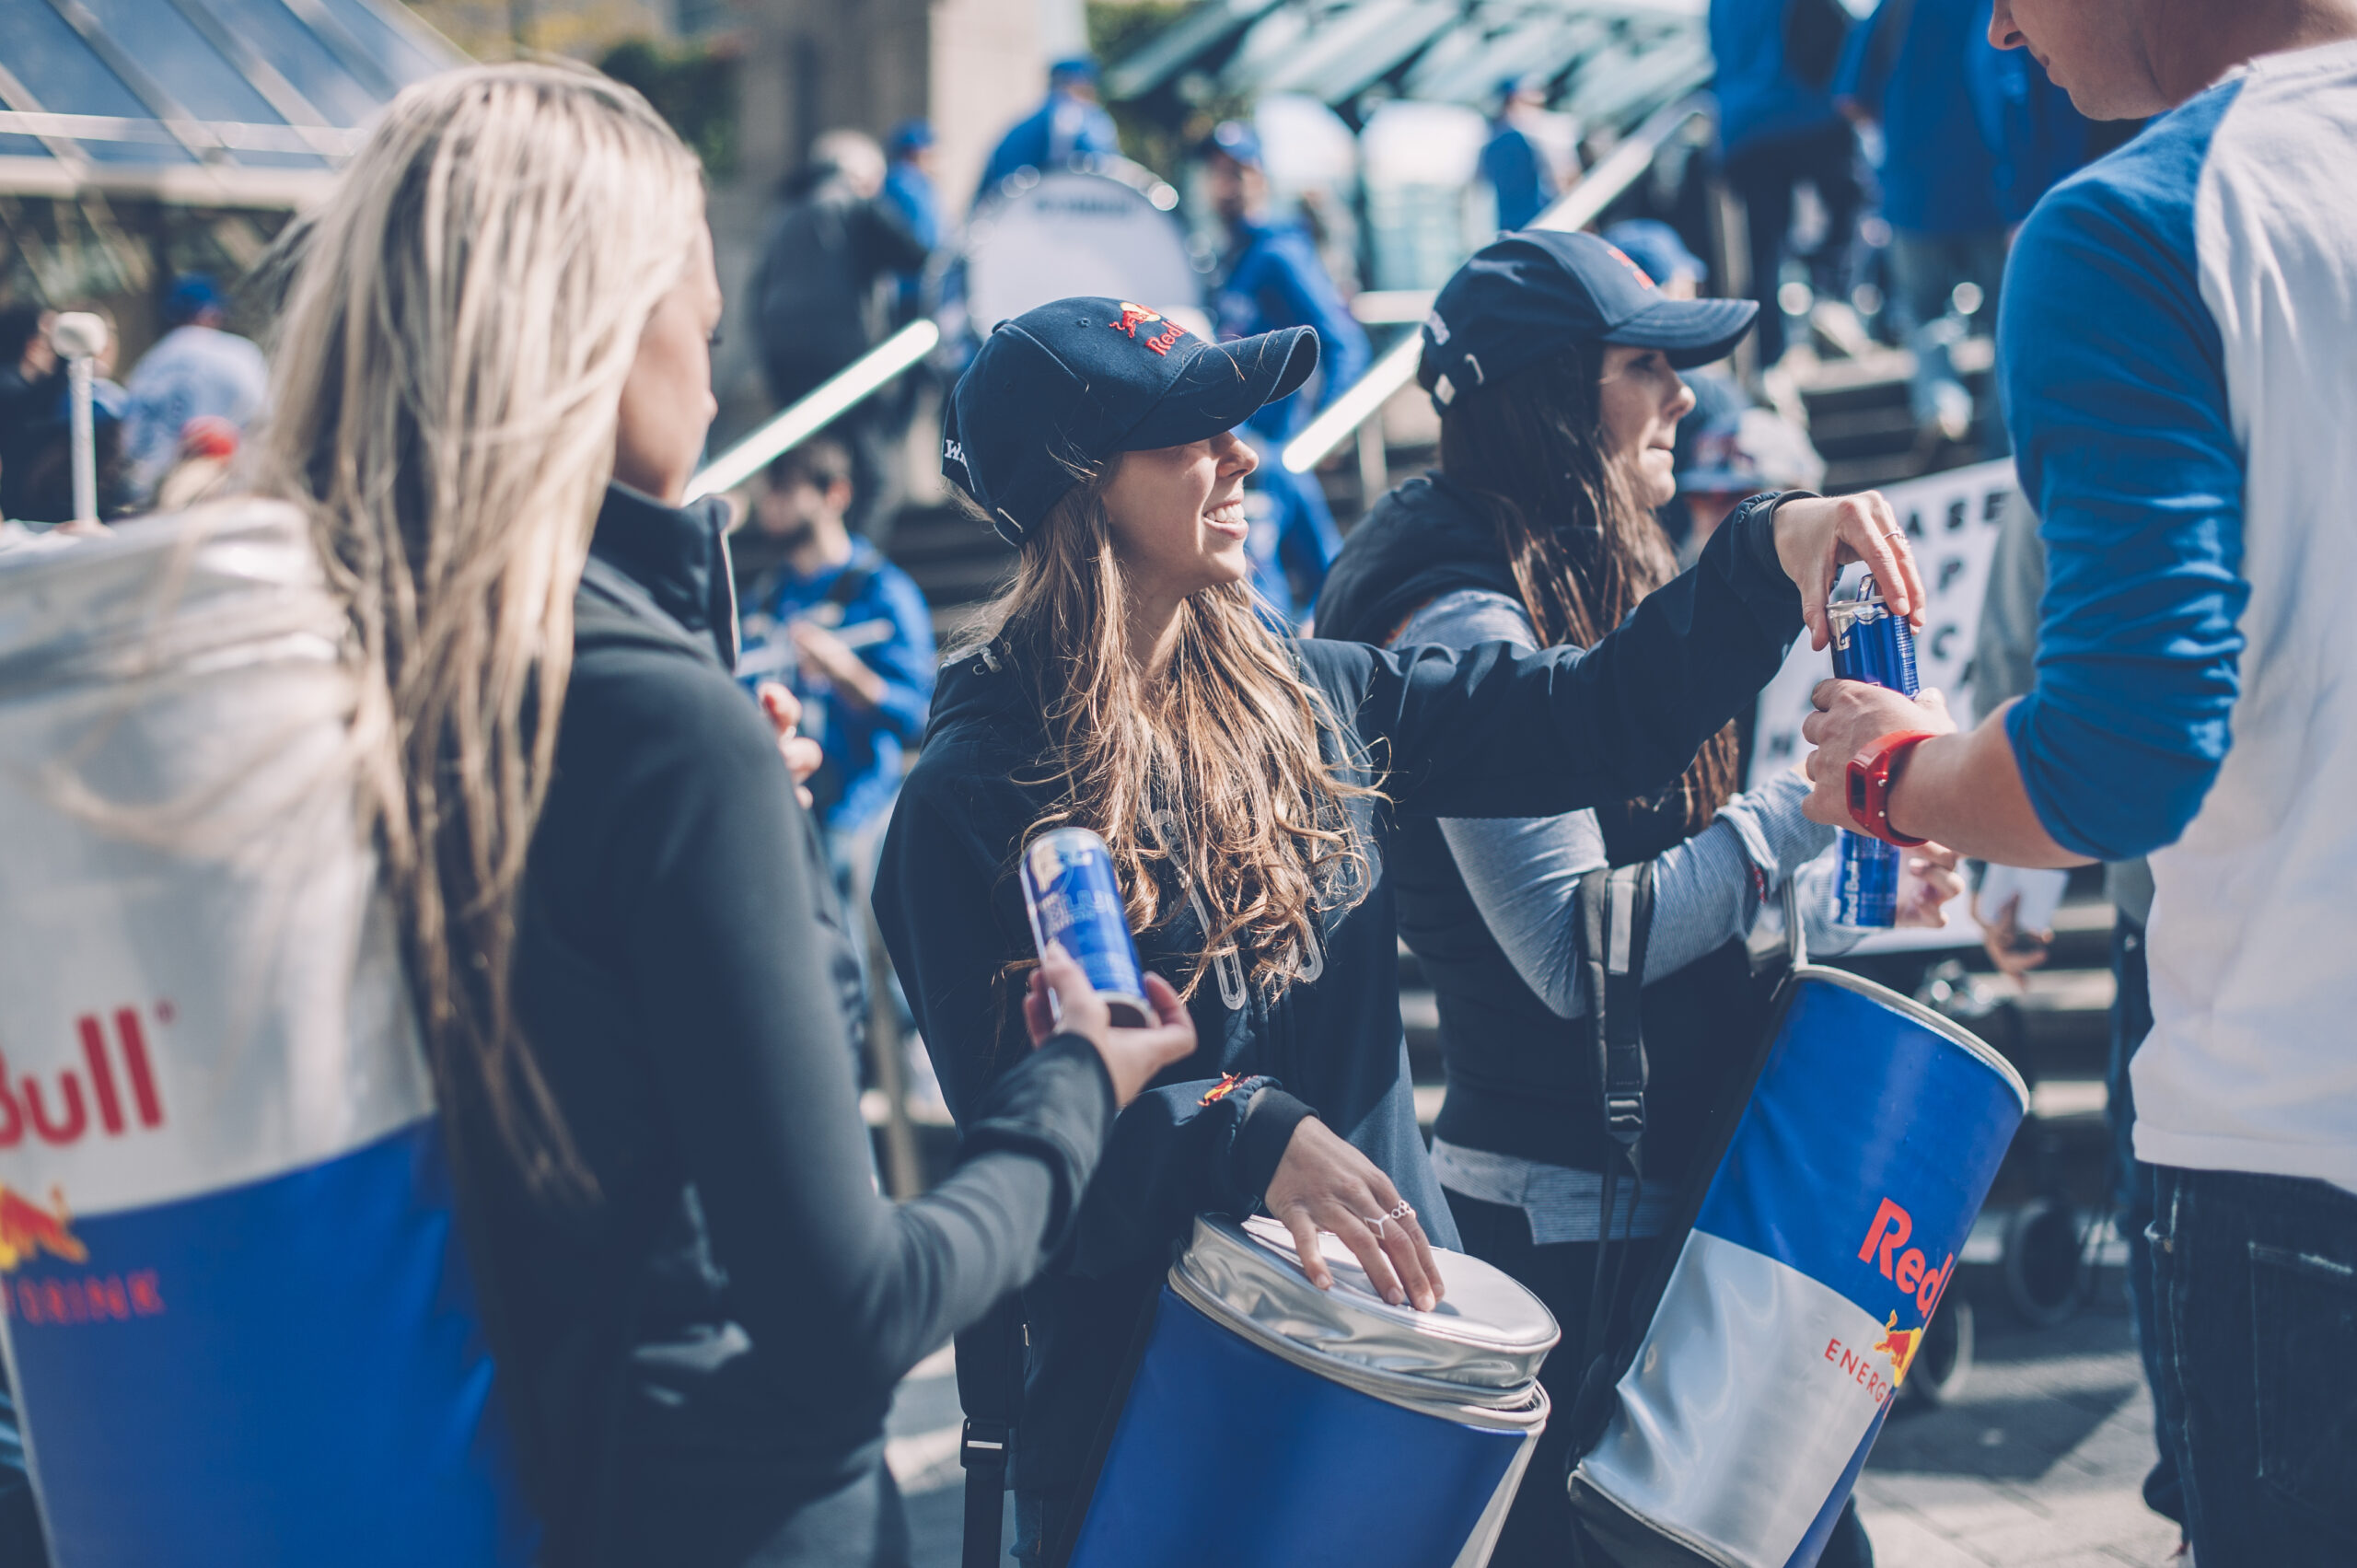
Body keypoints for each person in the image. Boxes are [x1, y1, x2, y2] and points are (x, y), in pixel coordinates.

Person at [250, 64, 1197, 1567]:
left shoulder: (323, 660)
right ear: (602, 332)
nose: (713, 368)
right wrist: (1078, 1082)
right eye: (700, 316)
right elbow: (852, 1310)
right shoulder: (654, 729)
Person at [875, 294, 1924, 1566]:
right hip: (1159, 1409)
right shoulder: (976, 792)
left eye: (1237, 422)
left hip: (1399, 1370)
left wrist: (1767, 553)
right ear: (1076, 486)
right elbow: (1026, 1136)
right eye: (1187, 433)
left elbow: (1590, 717)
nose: (1243, 454)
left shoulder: (1318, 695)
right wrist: (1243, 1128)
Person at [1802, 6, 2357, 1562]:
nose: (1994, 26)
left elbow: (2121, 752)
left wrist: (1895, 771)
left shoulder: (2137, 226)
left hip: (2299, 1145)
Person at [1318, 229, 1950, 1567]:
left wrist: (1839, 869)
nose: (1685, 397)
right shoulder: (1455, 605)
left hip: (1672, 1177)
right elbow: (1575, 943)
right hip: (1569, 1217)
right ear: (1549, 391)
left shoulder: (1579, 561)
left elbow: (1690, 889)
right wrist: (1797, 812)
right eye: (1647, 363)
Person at [733, 434, 936, 867]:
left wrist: (848, 675)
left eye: (786, 490)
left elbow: (921, 718)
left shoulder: (884, 592)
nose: (771, 505)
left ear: (835, 494)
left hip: (858, 816)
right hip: (784, 809)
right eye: (768, 492)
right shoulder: (764, 600)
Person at [1199, 121, 1371, 621]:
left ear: (1261, 178)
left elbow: (1344, 342)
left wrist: (1328, 429)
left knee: (1279, 597)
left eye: (1238, 171)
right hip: (1250, 453)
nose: (1226, 185)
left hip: (1275, 453)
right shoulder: (1230, 258)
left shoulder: (1279, 251)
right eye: (1216, 173)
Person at [1833, 0, 2010, 447]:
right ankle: (2003, 431)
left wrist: (1900, 123)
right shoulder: (1996, 7)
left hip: (1915, 189)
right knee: (2004, 317)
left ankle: (1941, 409)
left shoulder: (1898, 6)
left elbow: (1851, 97)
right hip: (1990, 183)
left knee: (1926, 312)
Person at [751, 128, 931, 541]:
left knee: (809, 466)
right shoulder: (853, 203)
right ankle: (856, 569)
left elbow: (757, 293)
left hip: (783, 361)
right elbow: (915, 252)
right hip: (845, 359)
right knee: (876, 475)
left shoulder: (783, 216)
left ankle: (805, 561)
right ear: (858, 173)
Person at [1708, 0, 1867, 366]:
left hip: (1744, 125)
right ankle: (1829, 296)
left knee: (1763, 245)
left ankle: (1771, 359)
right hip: (1807, 111)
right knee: (1851, 198)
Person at [120, 273, 269, 502]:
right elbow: (266, 420)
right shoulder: (242, 353)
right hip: (232, 489)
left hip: (161, 496)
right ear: (211, 314)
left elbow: (132, 441)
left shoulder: (148, 364)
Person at [974, 56, 1120, 203]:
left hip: (1001, 208)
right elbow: (1100, 168)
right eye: (1086, 88)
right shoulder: (1069, 116)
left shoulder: (1027, 122)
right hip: (1033, 209)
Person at [1480, 77, 1570, 231]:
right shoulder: (1537, 137)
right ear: (1514, 102)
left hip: (1509, 228)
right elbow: (1562, 179)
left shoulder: (1490, 144)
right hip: (1544, 222)